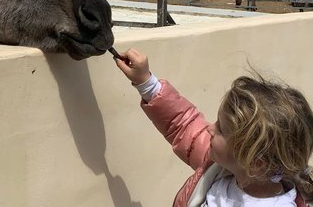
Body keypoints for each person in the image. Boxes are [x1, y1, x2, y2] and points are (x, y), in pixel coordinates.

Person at [114, 48, 313, 207]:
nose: (210, 128)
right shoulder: (222, 166)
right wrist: (147, 83)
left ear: (255, 162)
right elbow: (185, 125)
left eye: (221, 130)